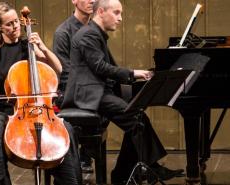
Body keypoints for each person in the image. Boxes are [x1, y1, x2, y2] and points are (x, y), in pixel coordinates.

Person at [61, 0, 184, 184]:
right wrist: (133, 74)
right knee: (136, 119)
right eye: (116, 13)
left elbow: (106, 68)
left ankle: (124, 173)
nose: (120, 19)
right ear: (101, 11)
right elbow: (101, 67)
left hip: (97, 91)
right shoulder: (88, 34)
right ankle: (139, 170)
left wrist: (133, 77)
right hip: (88, 95)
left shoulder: (95, 33)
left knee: (137, 120)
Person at [0, 2, 81, 185]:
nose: (15, 27)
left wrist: (43, 47)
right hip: (3, 112)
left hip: (36, 110)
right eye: (10, 24)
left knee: (68, 129)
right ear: (0, 27)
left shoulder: (29, 47)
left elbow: (59, 68)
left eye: (17, 22)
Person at [52, 0, 97, 173]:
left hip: (92, 88)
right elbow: (66, 73)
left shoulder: (95, 29)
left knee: (132, 108)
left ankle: (132, 166)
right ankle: (84, 155)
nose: (92, 1)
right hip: (70, 92)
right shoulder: (63, 32)